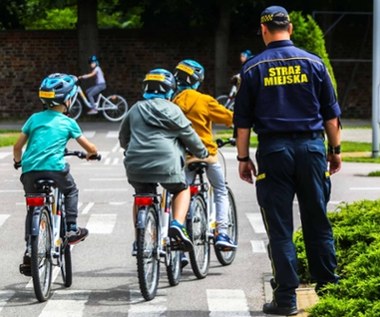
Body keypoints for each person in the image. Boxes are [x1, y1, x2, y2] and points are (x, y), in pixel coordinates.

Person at [233, 5, 341, 316]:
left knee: (280, 228)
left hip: (274, 153)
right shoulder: (314, 63)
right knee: (317, 222)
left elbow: (242, 123)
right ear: (290, 28)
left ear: (264, 31)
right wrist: (334, 151)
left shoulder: (252, 69)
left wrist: (243, 158)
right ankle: (330, 291)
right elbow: (331, 117)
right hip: (311, 150)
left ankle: (286, 300)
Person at [13, 73, 98, 275]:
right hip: (55, 168)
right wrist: (92, 154)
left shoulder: (34, 119)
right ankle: (71, 228)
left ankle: (29, 249)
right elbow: (90, 147)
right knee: (70, 191)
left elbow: (17, 147)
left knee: (33, 205)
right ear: (69, 100)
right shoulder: (68, 122)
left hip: (30, 171)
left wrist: (18, 162)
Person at [119, 68, 208, 254]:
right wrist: (202, 151)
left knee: (141, 196)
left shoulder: (135, 108)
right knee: (181, 189)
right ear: (170, 90)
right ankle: (177, 224)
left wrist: (130, 150)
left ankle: (140, 240)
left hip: (136, 165)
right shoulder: (174, 110)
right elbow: (190, 136)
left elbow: (123, 138)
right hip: (167, 165)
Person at [173, 59, 237, 251]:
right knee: (220, 189)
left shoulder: (173, 102)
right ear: (197, 80)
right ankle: (222, 232)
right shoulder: (204, 100)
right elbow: (229, 118)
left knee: (181, 192)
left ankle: (181, 236)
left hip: (185, 157)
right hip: (207, 155)